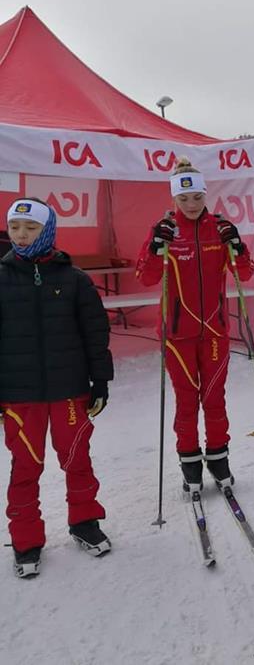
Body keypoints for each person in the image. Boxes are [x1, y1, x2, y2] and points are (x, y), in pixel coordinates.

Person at [0, 198, 113, 577]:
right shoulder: (1, 278)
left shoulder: (74, 279)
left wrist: (101, 380)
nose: (21, 234)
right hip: (20, 396)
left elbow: (95, 334)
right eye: (15, 227)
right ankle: (26, 539)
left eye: (30, 228)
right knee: (25, 467)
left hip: (69, 391)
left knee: (77, 459)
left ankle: (84, 522)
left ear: (47, 231)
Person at [136, 158, 254, 493]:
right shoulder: (165, 230)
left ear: (205, 195)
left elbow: (243, 273)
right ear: (173, 199)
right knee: (186, 400)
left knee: (215, 398)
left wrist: (238, 245)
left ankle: (218, 458)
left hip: (214, 331)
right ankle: (189, 462)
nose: (191, 205)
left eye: (197, 198)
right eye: (184, 199)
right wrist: (156, 248)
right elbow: (145, 277)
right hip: (177, 335)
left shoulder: (218, 227)